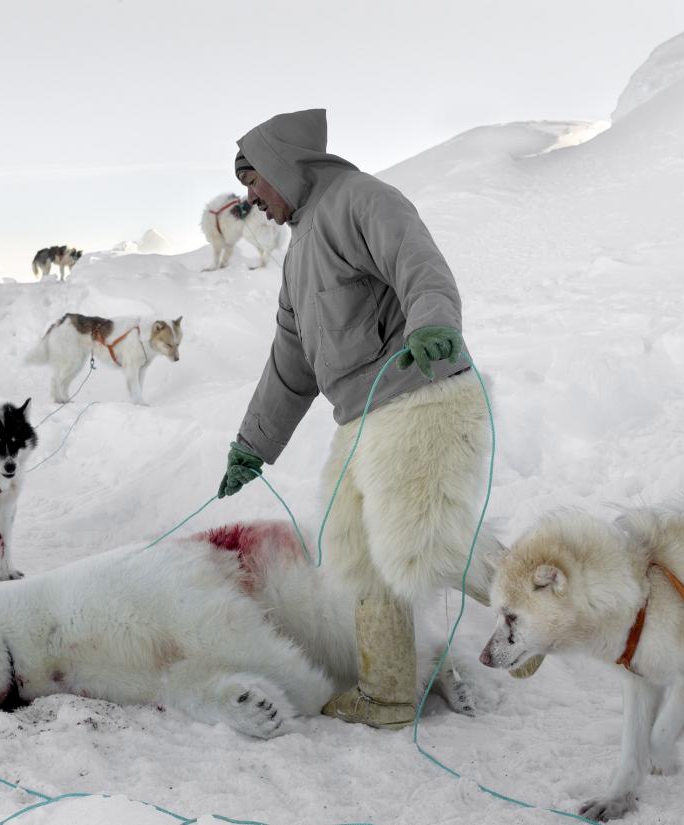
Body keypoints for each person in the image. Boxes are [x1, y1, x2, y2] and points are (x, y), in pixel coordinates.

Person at [218, 109, 538, 730]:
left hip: (422, 393)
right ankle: (388, 693)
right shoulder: (298, 254)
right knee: (354, 551)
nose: (250, 197)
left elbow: (419, 265)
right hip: (363, 415)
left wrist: (435, 324)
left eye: (255, 181)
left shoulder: (361, 199)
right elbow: (290, 359)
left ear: (283, 166)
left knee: (424, 544)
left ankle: (548, 612)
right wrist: (251, 445)